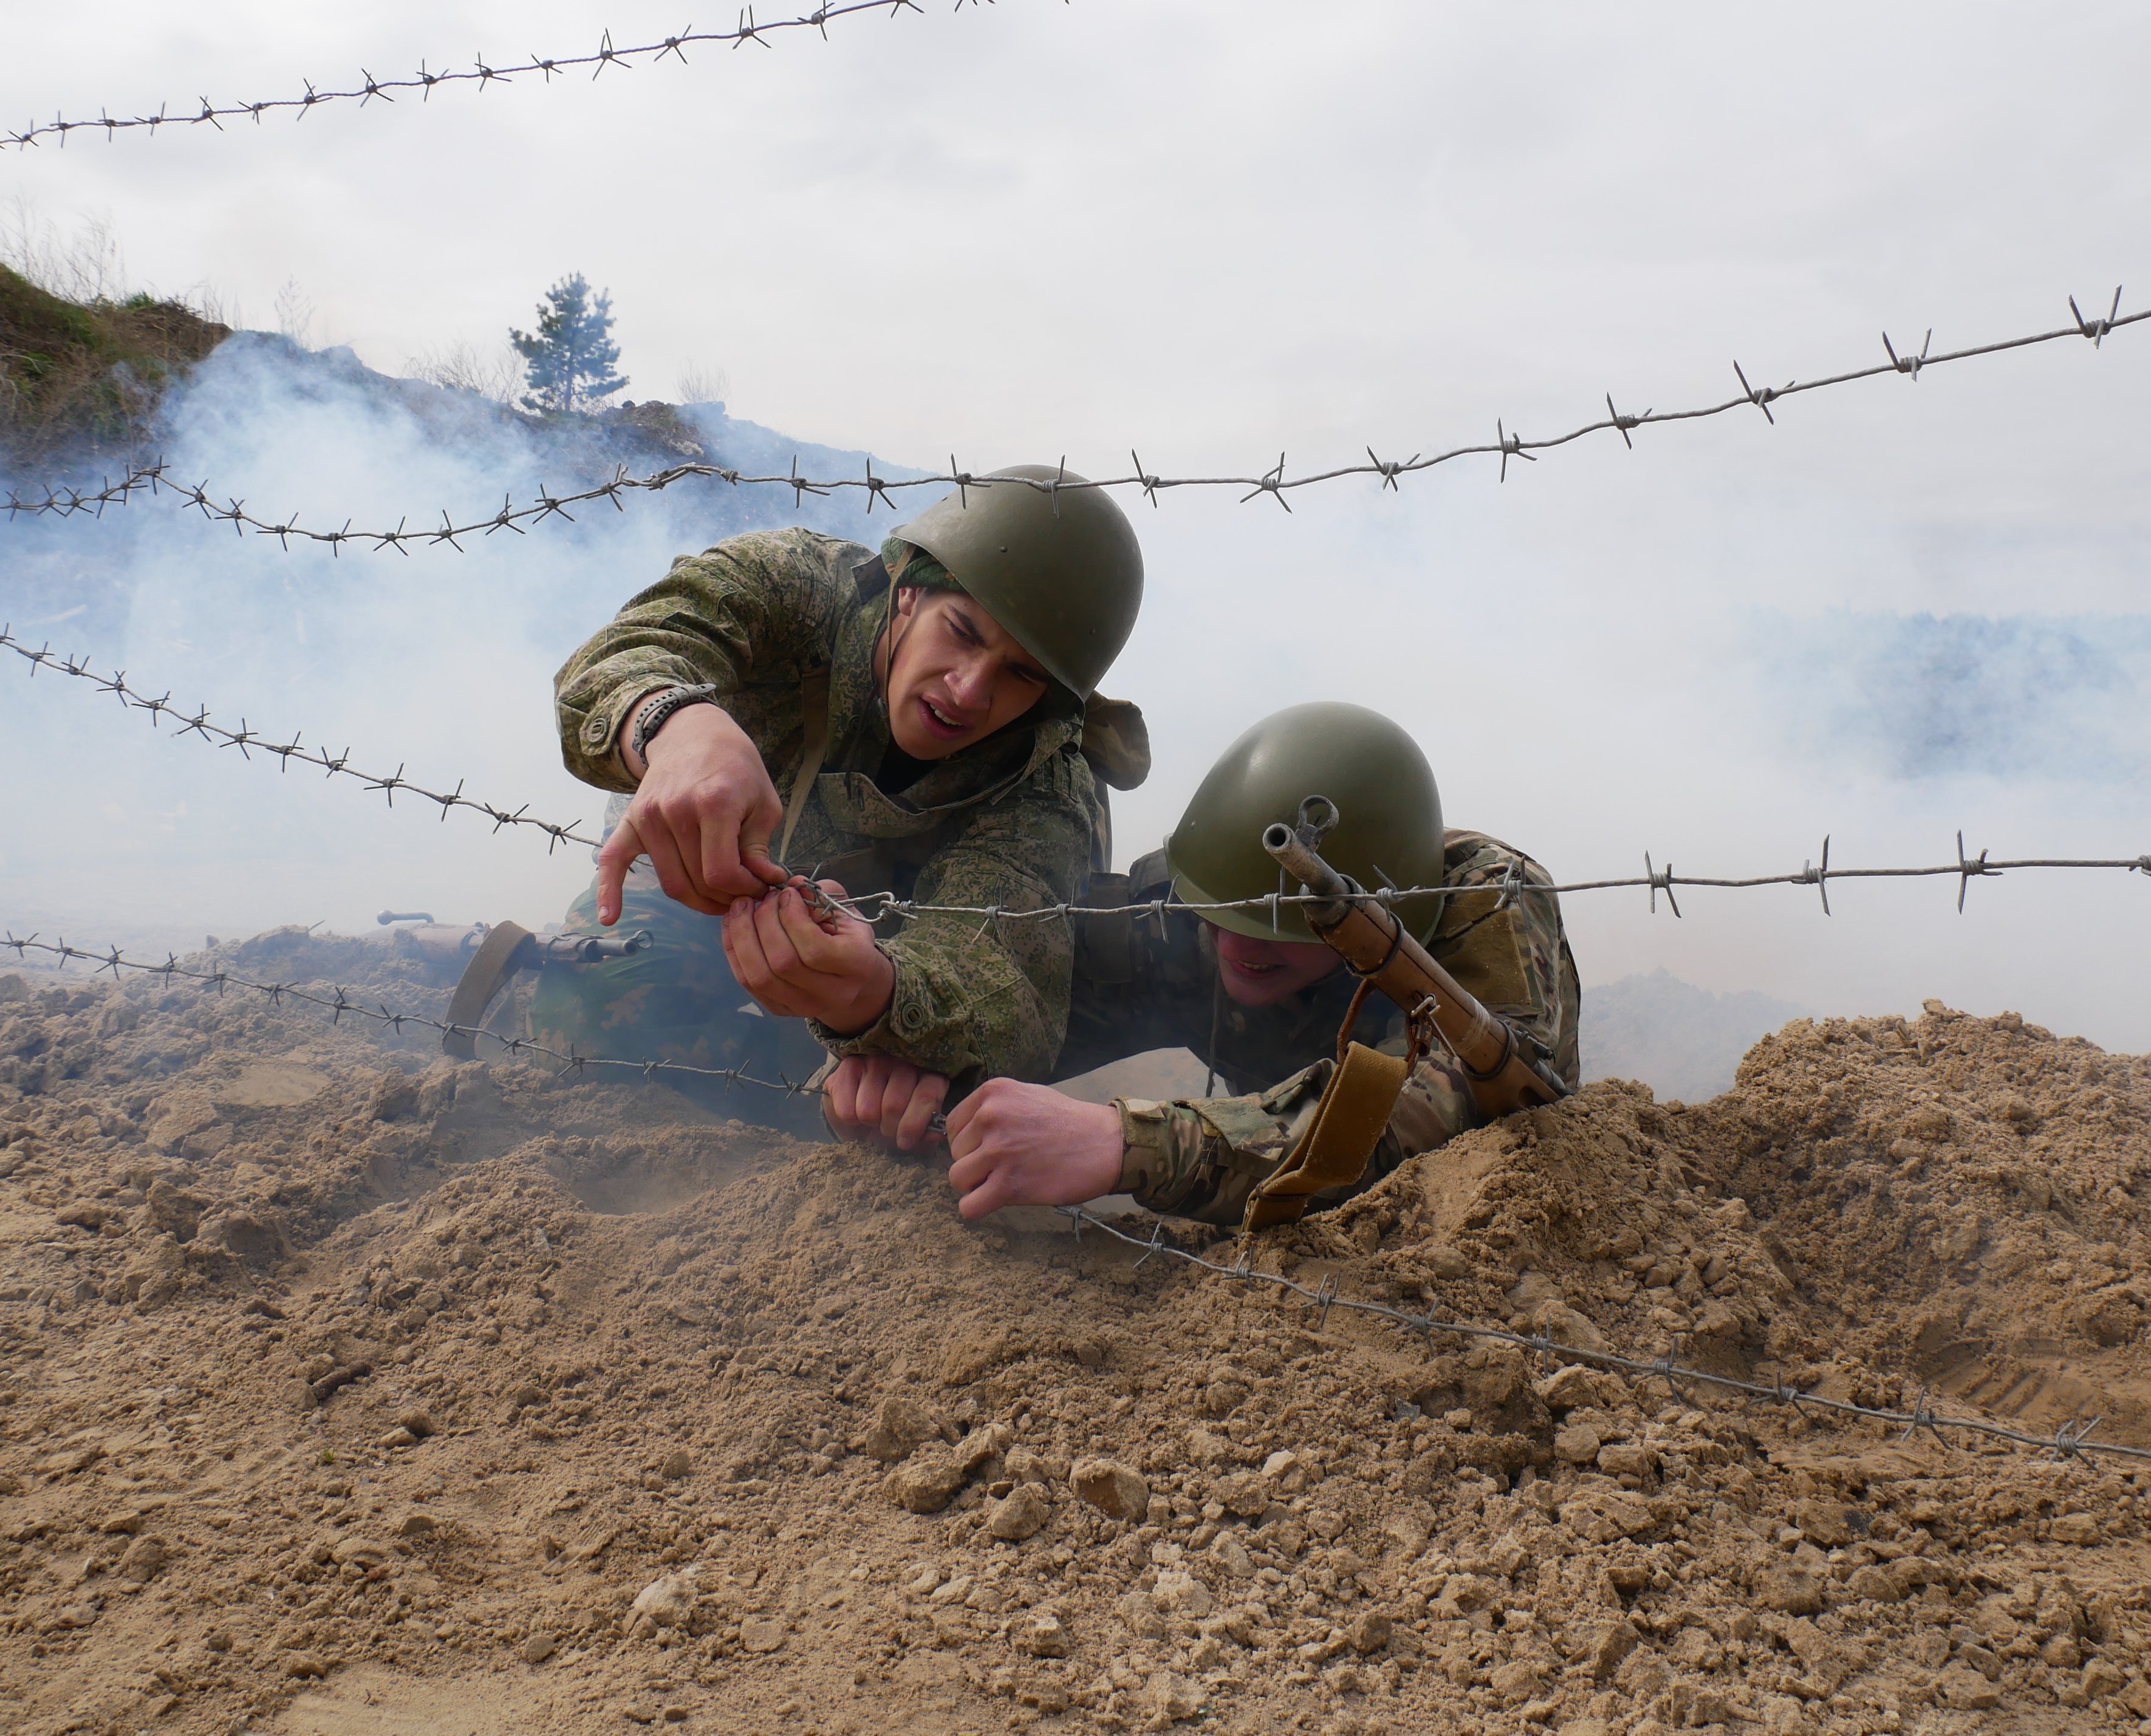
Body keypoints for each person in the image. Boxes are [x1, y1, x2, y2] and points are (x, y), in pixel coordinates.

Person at [536, 468, 1149, 1134]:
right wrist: (678, 727)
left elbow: (1002, 983)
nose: (969, 691)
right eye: (963, 632)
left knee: (913, 1107)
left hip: (892, 947)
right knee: (583, 1013)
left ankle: (805, 1107)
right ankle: (780, 1090)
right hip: (699, 882)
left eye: (1021, 673)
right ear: (908, 592)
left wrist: (879, 1001)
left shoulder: (1043, 779)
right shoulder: (793, 587)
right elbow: (625, 650)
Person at [833, 700, 1581, 1222]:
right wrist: (903, 1041)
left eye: (1277, 926)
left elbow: (1424, 1123)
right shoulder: (1196, 910)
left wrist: (1126, 1144)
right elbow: (1021, 985)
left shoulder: (1485, 913)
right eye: (1218, 916)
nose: (1233, 947)